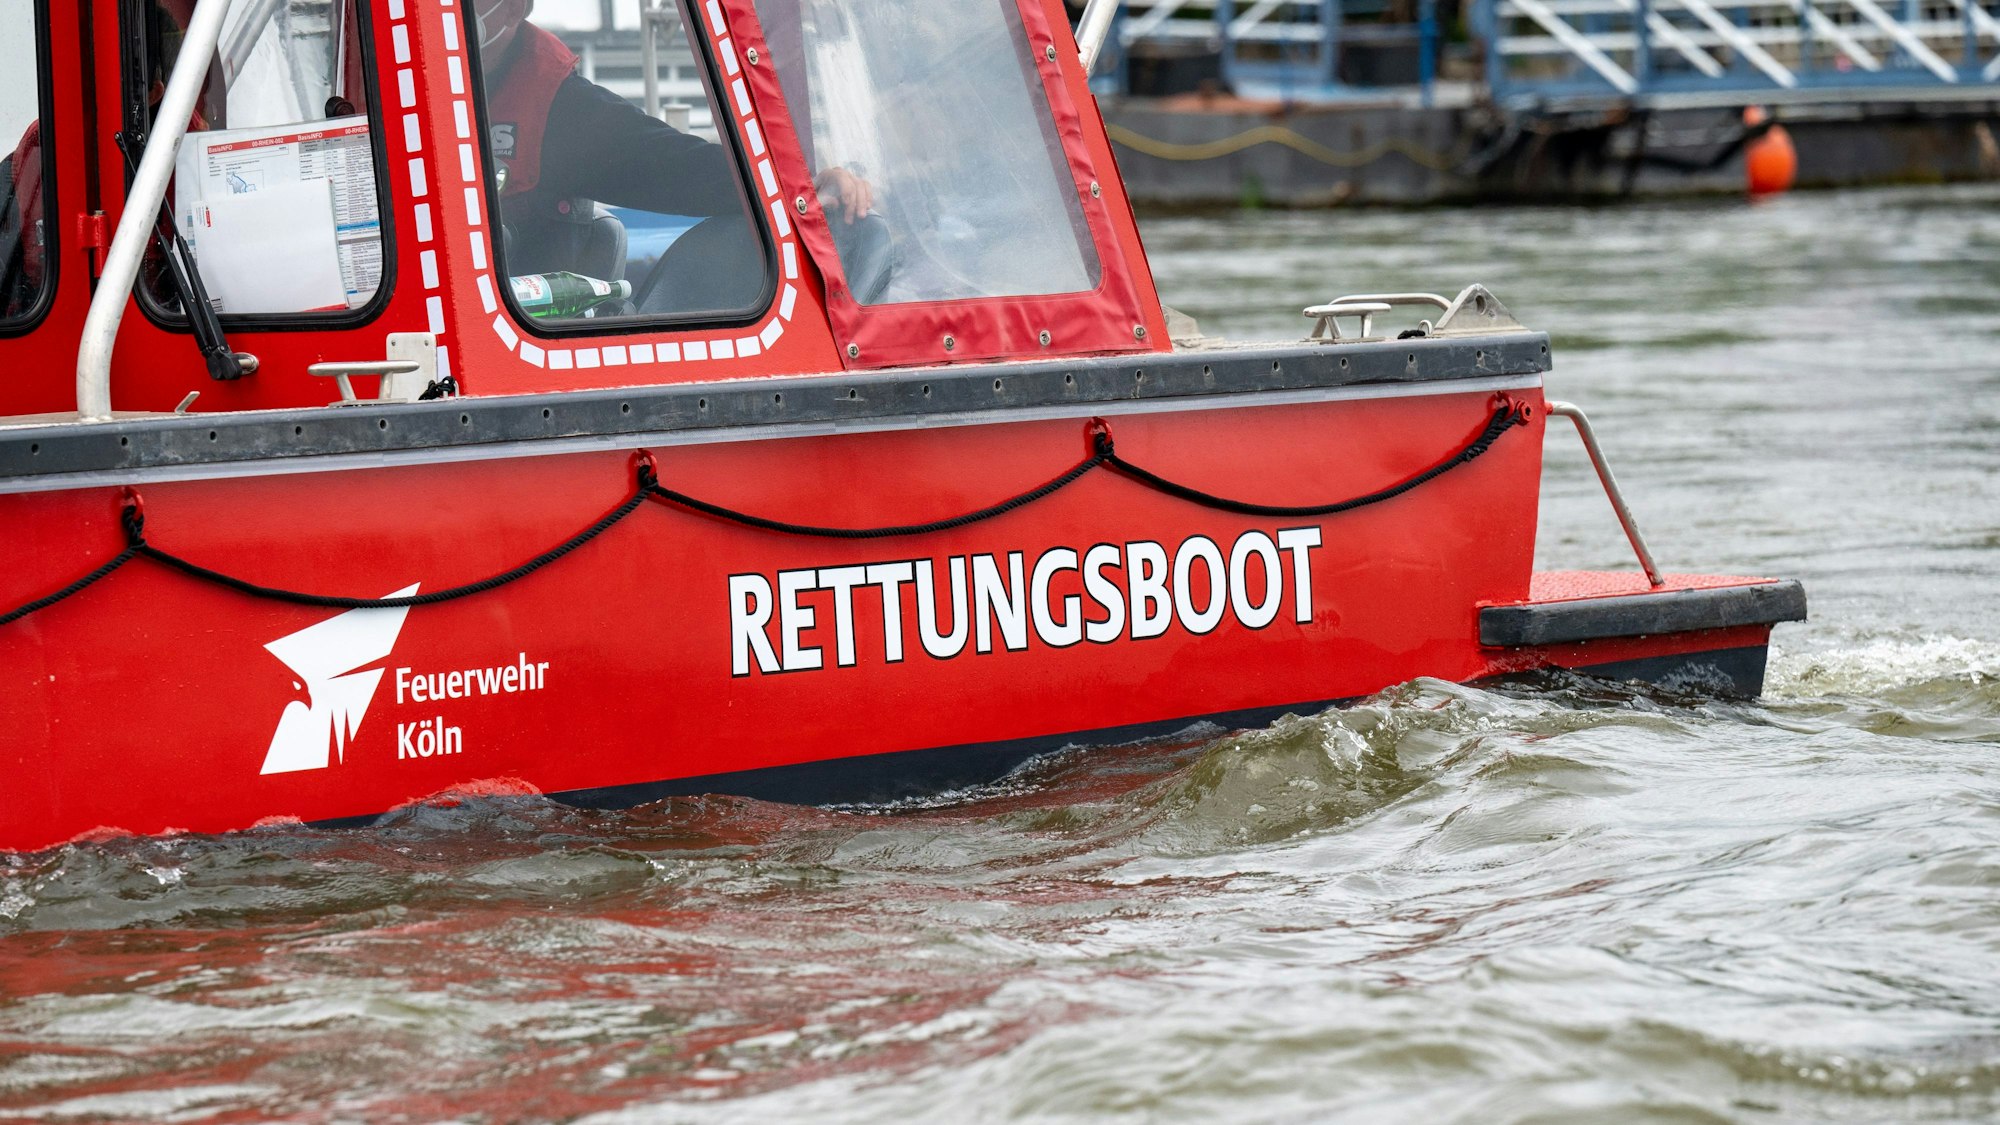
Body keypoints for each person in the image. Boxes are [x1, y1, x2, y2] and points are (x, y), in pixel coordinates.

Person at [472, 0, 871, 316]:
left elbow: (681, 168)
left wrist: (802, 187)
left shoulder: (559, 110)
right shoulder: (413, 97)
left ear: (513, 7)